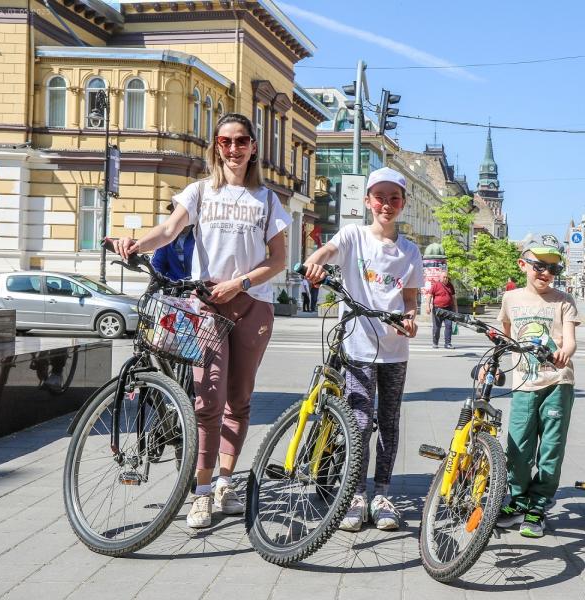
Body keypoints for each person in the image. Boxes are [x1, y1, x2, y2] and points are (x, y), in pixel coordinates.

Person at [113, 112, 290, 528]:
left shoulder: (267, 199)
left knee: (239, 399)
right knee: (207, 401)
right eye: (225, 141)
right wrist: (133, 243)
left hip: (252, 306)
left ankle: (226, 482)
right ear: (216, 146)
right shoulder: (199, 192)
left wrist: (241, 284)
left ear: (252, 148)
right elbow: (169, 231)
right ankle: (202, 491)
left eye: (241, 141)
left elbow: (279, 259)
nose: (233, 149)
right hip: (208, 304)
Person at [302, 167, 424, 532]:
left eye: (394, 198)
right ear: (368, 201)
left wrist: (411, 319)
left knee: (388, 421)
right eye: (380, 197)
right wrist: (315, 260)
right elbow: (328, 250)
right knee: (358, 420)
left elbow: (410, 299)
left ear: (402, 203)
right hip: (357, 345)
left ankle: (382, 494)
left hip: (394, 348)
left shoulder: (410, 250)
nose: (386, 204)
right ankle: (355, 494)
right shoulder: (354, 235)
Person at [494, 238, 579, 538]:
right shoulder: (511, 299)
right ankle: (517, 501)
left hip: (558, 381)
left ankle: (538, 506)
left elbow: (569, 338)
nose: (545, 273)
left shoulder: (564, 300)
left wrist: (565, 351)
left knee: (551, 449)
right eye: (539, 266)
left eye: (552, 268)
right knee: (517, 448)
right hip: (523, 383)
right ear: (523, 265)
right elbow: (504, 337)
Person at [150, 203, 195, 281]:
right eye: (172, 214)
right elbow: (157, 263)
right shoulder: (167, 237)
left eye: (176, 214)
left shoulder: (198, 235)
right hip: (173, 286)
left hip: (196, 286)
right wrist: (157, 279)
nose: (173, 218)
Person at [426, 272, 457, 349]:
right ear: (440, 278)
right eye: (444, 277)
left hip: (448, 309)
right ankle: (435, 342)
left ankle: (448, 343)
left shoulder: (450, 285)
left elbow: (453, 298)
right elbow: (429, 295)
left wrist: (456, 309)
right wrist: (427, 306)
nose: (446, 279)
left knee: (449, 326)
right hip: (437, 309)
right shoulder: (436, 285)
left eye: (447, 277)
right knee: (437, 327)